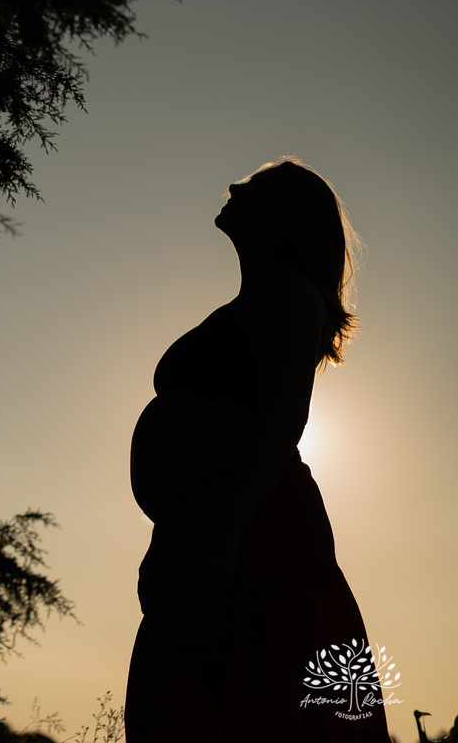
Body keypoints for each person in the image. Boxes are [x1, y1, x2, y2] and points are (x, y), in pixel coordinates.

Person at [125, 158, 390, 741]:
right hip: (214, 526)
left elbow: (283, 423)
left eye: (256, 186)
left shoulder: (291, 294)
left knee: (252, 704)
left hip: (255, 534)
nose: (235, 185)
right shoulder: (252, 302)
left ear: (284, 216)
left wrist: (225, 534)